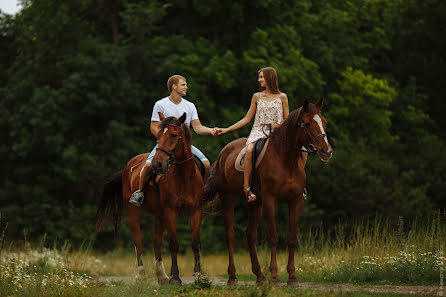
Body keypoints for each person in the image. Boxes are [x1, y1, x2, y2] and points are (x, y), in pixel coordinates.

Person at [218, 67, 307, 202]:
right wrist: (227, 129)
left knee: (303, 150)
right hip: (259, 131)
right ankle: (247, 188)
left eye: (261, 77)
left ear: (269, 78)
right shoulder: (257, 96)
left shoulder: (283, 97)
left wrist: (278, 125)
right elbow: (247, 119)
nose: (259, 80)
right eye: (259, 77)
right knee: (249, 150)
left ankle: (300, 184)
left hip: (278, 133)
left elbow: (287, 120)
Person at [129, 75, 219, 206]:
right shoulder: (160, 104)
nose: (186, 87)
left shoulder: (190, 106)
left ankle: (202, 193)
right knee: (148, 165)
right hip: (165, 145)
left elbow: (197, 127)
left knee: (206, 164)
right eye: (183, 84)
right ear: (174, 87)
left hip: (185, 145)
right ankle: (139, 192)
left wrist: (211, 130)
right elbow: (153, 126)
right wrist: (164, 139)